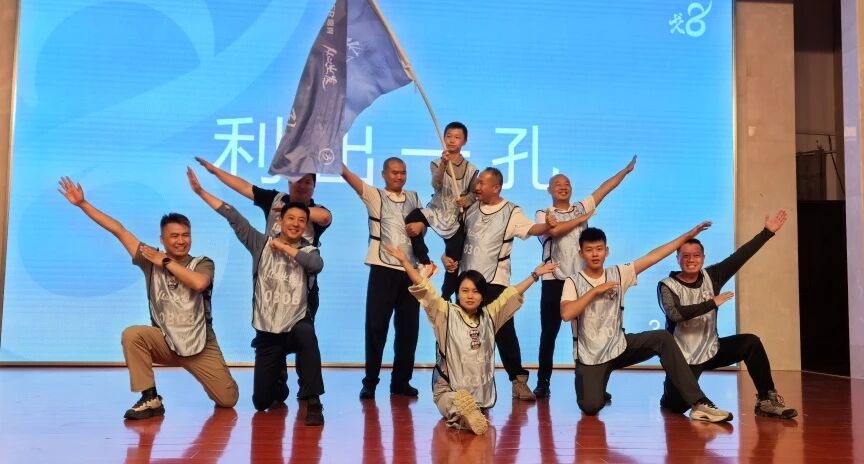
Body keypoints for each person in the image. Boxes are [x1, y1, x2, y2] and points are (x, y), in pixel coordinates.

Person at [58, 176, 238, 420]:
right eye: (174, 236)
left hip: (200, 346)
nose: (181, 241)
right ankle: (150, 397)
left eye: (185, 235)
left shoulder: (202, 263)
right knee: (133, 335)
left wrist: (165, 261)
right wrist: (83, 204)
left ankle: (207, 376)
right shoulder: (149, 258)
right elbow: (119, 230)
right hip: (166, 342)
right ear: (163, 239)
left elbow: (198, 283)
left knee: (228, 400)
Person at [187, 169, 325, 425]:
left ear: (306, 225)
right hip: (268, 331)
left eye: (301, 220)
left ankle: (313, 399)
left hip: (295, 324)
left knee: (307, 333)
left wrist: (284, 247)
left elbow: (315, 265)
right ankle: (278, 386)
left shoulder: (309, 250)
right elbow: (233, 216)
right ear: (279, 221)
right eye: (290, 218)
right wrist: (201, 192)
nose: (295, 224)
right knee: (261, 402)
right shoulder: (259, 244)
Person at [560, 224, 734, 422]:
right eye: (589, 250)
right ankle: (598, 388)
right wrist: (594, 292)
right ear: (581, 253)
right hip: (590, 356)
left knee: (662, 338)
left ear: (606, 251)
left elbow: (653, 256)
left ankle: (699, 403)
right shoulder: (572, 282)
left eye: (599, 249)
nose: (594, 254)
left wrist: (688, 235)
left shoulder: (618, 273)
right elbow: (566, 313)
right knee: (591, 407)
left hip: (618, 346)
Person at [383, 243, 557, 434]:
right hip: (449, 389)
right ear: (458, 294)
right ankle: (463, 411)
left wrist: (535, 275)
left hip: (480, 394)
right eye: (465, 290)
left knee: (469, 409)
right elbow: (425, 288)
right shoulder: (445, 314)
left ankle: (468, 414)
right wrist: (405, 262)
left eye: (475, 291)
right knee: (452, 403)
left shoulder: (490, 316)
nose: (470, 296)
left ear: (483, 296)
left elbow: (511, 294)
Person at [657, 210, 798, 419]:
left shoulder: (712, 276)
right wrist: (712, 303)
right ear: (677, 259)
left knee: (751, 343)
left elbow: (739, 257)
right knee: (675, 407)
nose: (691, 260)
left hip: (711, 349)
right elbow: (676, 314)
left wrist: (767, 232)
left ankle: (766, 401)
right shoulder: (667, 285)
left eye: (696, 255)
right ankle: (669, 394)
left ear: (703, 258)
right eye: (685, 256)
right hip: (682, 358)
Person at [446, 167, 557, 401]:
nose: (477, 186)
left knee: (505, 333)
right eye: (477, 182)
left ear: (496, 187)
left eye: (482, 183)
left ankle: (518, 381)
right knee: (464, 334)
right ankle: (459, 383)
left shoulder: (511, 211)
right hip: (467, 283)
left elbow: (531, 228)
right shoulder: (469, 208)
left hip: (495, 282)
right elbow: (455, 239)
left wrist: (547, 226)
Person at [533, 155, 636, 398]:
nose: (563, 187)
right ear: (549, 190)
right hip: (554, 280)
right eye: (558, 184)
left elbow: (604, 189)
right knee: (549, 334)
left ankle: (597, 384)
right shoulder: (543, 213)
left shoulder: (581, 206)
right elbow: (555, 231)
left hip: (582, 281)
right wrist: (581, 219)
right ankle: (543, 382)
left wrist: (624, 171)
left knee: (592, 333)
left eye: (567, 183)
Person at [341, 158, 422, 399]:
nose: (399, 176)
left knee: (408, 330)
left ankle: (401, 382)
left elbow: (424, 224)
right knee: (376, 328)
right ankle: (370, 382)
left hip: (410, 271)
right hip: (382, 269)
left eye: (403, 172)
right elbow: (350, 178)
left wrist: (420, 226)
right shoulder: (374, 195)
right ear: (384, 174)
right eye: (394, 172)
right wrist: (336, 163)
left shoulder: (414, 197)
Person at [403, 122, 478, 298]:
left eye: (457, 137)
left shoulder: (472, 169)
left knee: (453, 262)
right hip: (436, 210)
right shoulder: (436, 163)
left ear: (464, 141)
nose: (452, 140)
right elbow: (436, 185)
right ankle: (425, 262)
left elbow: (475, 194)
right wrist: (444, 165)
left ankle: (446, 297)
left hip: (455, 219)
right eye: (448, 136)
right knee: (412, 218)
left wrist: (466, 200)